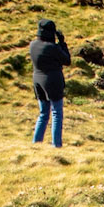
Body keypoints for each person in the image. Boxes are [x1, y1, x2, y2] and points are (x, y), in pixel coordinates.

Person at [29, 17, 70, 146]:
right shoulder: (53, 48)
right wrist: (62, 44)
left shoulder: (33, 45)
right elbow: (67, 60)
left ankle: (36, 142)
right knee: (57, 113)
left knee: (43, 113)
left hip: (37, 80)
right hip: (52, 81)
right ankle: (56, 145)